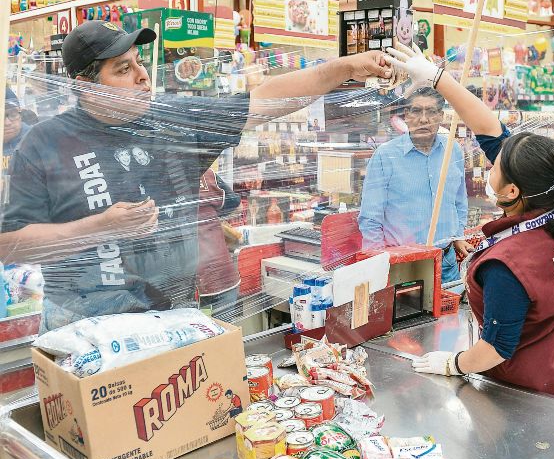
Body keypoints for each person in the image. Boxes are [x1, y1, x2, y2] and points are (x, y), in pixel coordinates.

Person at [1, 21, 391, 333]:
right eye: (124, 69)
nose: (142, 76)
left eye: (139, 62)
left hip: (173, 321)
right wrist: (98, 228)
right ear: (85, 86)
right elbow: (10, 245)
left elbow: (266, 99)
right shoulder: (44, 144)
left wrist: (346, 67)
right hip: (85, 329)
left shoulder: (173, 123)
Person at [385, 43, 554, 404]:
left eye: (495, 167)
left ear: (513, 189)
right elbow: (487, 126)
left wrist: (453, 363)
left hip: (541, 404)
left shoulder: (508, 264)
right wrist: (436, 78)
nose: (489, 166)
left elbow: (496, 349)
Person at [358, 87, 473, 283]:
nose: (423, 119)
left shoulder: (453, 151)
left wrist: (458, 235)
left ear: (441, 116)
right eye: (417, 111)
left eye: (431, 112)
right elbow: (370, 219)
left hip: (446, 263)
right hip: (403, 266)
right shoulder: (385, 156)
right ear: (406, 115)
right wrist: (378, 266)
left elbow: (459, 201)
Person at [197, 168, 241, 315]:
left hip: (193, 288)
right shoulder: (206, 173)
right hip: (222, 278)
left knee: (201, 336)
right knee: (223, 334)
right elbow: (236, 205)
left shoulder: (157, 178)